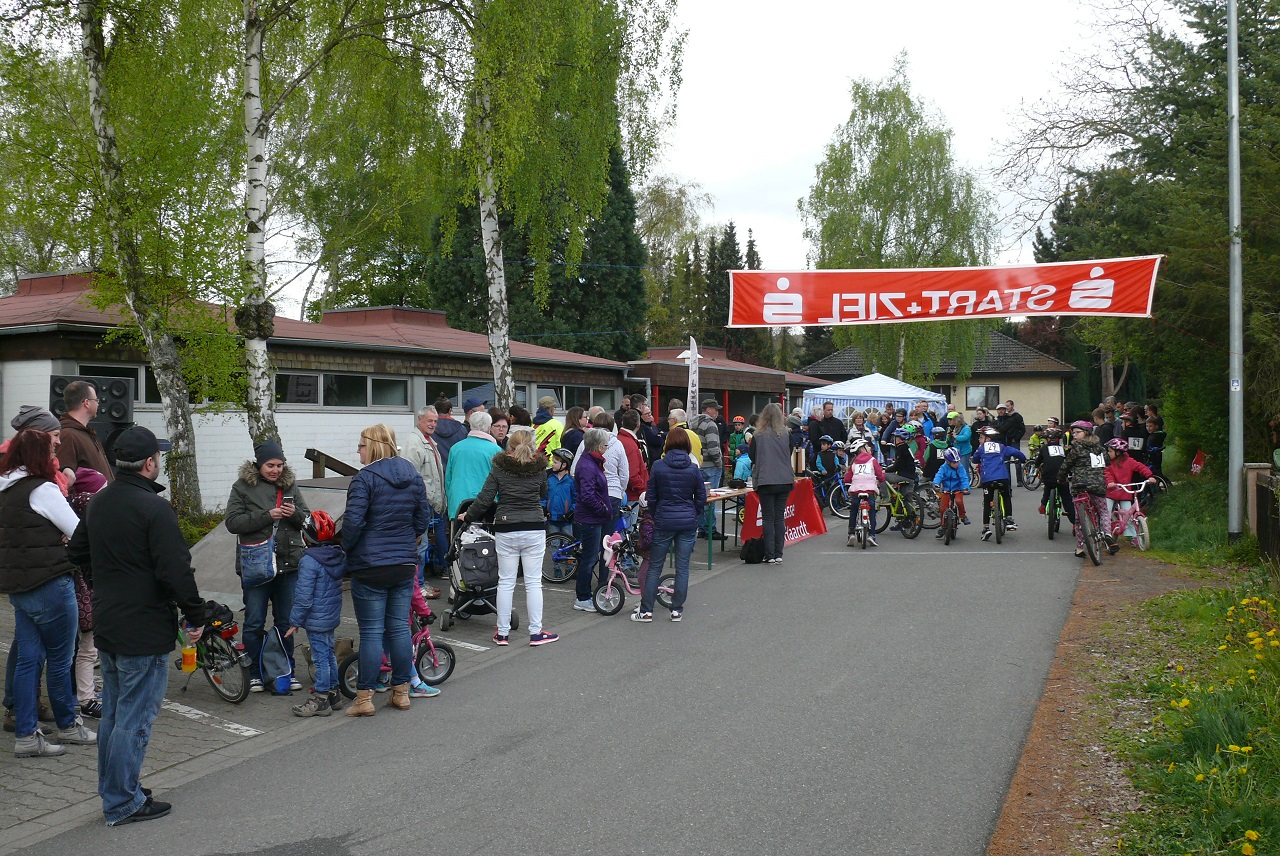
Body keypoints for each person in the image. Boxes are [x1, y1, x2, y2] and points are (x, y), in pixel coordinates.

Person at [67, 426, 204, 824]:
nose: (158, 462)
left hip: (110, 620)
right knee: (134, 718)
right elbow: (175, 570)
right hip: (143, 627)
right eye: (157, 457)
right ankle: (122, 800)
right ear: (148, 464)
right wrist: (196, 613)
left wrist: (102, 583)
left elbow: (77, 551)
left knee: (115, 714)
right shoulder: (154, 508)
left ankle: (115, 790)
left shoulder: (100, 501)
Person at [1, 418, 96, 759]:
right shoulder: (42, 489)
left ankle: (27, 735)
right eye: (51, 449)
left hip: (19, 586)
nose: (56, 453)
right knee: (60, 659)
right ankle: (69, 725)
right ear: (39, 456)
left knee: (28, 661)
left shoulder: (5, 488)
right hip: (50, 583)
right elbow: (78, 531)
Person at [342, 424, 430, 717]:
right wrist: (407, 539)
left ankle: (364, 698)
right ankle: (401, 693)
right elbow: (422, 518)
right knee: (399, 629)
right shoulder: (412, 475)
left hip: (371, 565)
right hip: (403, 563)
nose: (358, 450)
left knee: (371, 632)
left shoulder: (364, 479)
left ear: (372, 446)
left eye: (361, 445)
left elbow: (353, 523)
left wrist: (347, 549)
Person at [224, 440, 310, 694]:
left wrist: (295, 513)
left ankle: (286, 670)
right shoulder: (242, 487)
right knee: (254, 622)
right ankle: (254, 674)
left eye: (279, 465)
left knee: (286, 622)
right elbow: (233, 522)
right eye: (270, 465)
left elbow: (307, 520)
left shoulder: (290, 484)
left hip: (288, 566)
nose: (275, 470)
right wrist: (267, 516)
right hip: (256, 565)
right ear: (259, 464)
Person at [462, 428, 559, 647]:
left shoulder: (500, 468)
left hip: (506, 527)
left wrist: (468, 516)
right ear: (532, 446)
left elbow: (485, 498)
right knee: (533, 582)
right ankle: (536, 632)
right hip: (533, 526)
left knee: (505, 582)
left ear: (510, 446)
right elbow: (543, 493)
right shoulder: (539, 468)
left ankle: (503, 633)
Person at [632, 427, 705, 623]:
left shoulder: (658, 466)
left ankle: (646, 611)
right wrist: (693, 512)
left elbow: (652, 496)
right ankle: (676, 610)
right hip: (687, 521)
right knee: (683, 567)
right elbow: (701, 497)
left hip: (663, 520)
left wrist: (657, 513)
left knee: (655, 566)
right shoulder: (693, 468)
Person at [287, 511, 345, 717]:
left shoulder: (309, 561)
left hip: (316, 619)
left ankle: (320, 699)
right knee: (329, 654)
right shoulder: (337, 555)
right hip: (330, 616)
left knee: (320, 658)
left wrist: (295, 621)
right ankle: (334, 693)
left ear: (306, 537)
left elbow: (304, 597)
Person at [400, 405, 447, 595]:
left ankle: (418, 584)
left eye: (435, 421)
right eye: (429, 421)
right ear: (419, 420)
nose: (433, 424)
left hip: (426, 502)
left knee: (423, 545)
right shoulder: (414, 443)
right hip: (420, 503)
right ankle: (417, 588)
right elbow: (409, 476)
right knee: (420, 545)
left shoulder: (428, 441)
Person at [748, 404, 795, 564]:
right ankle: (778, 552)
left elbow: (752, 456)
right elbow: (789, 452)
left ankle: (769, 554)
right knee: (779, 517)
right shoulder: (787, 434)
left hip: (766, 480)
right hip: (784, 479)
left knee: (768, 517)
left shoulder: (758, 435)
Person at [572, 428, 613, 611]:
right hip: (590, 519)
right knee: (589, 559)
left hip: (592, 517)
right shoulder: (588, 466)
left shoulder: (590, 463)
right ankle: (583, 597)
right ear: (598, 447)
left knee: (590, 558)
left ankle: (584, 595)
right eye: (605, 445)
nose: (607, 448)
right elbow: (588, 496)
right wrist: (603, 509)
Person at [1058, 420, 1111, 558]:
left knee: (1079, 518)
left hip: (1080, 485)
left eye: (1077, 432)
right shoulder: (1100, 448)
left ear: (1086, 433)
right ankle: (1108, 534)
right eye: (1073, 433)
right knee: (1103, 511)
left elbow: (1066, 465)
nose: (1074, 435)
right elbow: (1107, 462)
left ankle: (1080, 548)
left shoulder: (1077, 448)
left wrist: (1060, 478)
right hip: (1098, 485)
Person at [56, 380, 113, 489]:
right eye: (96, 400)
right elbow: (64, 481)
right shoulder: (68, 435)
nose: (98, 403)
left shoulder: (84, 432)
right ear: (86, 403)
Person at [444, 411, 501, 518]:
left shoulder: (456, 448)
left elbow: (448, 480)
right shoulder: (496, 450)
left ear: (470, 426)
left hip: (458, 502)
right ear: (489, 428)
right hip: (487, 505)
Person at [972, 426, 1026, 540]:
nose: (979, 440)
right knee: (1006, 496)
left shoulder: (981, 448)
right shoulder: (1001, 447)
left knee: (987, 502)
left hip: (987, 479)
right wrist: (1023, 459)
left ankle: (986, 528)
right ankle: (1009, 519)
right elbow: (1016, 452)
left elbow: (975, 459)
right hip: (1002, 477)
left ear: (988, 439)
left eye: (981, 437)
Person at [1104, 437, 1156, 547]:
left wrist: (1149, 476)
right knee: (1106, 513)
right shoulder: (1108, 463)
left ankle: (1133, 536)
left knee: (1129, 515)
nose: (1108, 453)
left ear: (1118, 452)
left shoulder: (1129, 461)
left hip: (1125, 492)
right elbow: (1107, 474)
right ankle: (1105, 534)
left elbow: (1141, 467)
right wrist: (1110, 482)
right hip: (1111, 492)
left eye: (1110, 451)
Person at [844, 438, 886, 547]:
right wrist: (881, 479)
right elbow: (880, 475)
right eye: (867, 446)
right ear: (862, 449)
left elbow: (847, 478)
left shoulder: (854, 462)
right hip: (869, 490)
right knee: (872, 511)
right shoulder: (872, 460)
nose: (869, 448)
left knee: (854, 510)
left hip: (856, 490)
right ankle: (872, 535)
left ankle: (851, 533)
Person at [1034, 427, 1073, 526]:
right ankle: (1075, 522)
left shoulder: (1044, 449)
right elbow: (1068, 462)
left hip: (1048, 477)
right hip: (1062, 477)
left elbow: (1037, 462)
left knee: (1047, 488)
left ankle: (1043, 506)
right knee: (1066, 498)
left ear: (1047, 439)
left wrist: (1037, 466)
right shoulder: (1063, 449)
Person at [932, 447, 971, 537]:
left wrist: (965, 488)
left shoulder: (960, 467)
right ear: (948, 462)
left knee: (959, 501)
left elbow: (964, 478)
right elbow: (939, 476)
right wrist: (936, 484)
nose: (957, 464)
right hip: (947, 489)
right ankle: (943, 526)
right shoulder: (943, 467)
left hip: (958, 489)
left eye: (957, 461)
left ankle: (962, 516)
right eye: (954, 462)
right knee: (943, 508)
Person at [430, 395, 468, 468]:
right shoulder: (461, 429)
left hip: (436, 470)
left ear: (435, 410)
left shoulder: (430, 429)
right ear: (450, 410)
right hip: (455, 469)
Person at [546, 448, 576, 536]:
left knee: (567, 541)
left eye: (555, 462)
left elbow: (576, 499)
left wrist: (571, 512)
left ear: (564, 465)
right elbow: (544, 496)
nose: (552, 464)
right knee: (553, 541)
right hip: (552, 518)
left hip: (566, 519)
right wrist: (544, 508)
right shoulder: (550, 479)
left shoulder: (571, 481)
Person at [532, 396, 564, 463]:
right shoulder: (557, 425)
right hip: (551, 464)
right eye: (554, 408)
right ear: (551, 409)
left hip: (533, 463)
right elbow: (560, 445)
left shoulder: (532, 425)